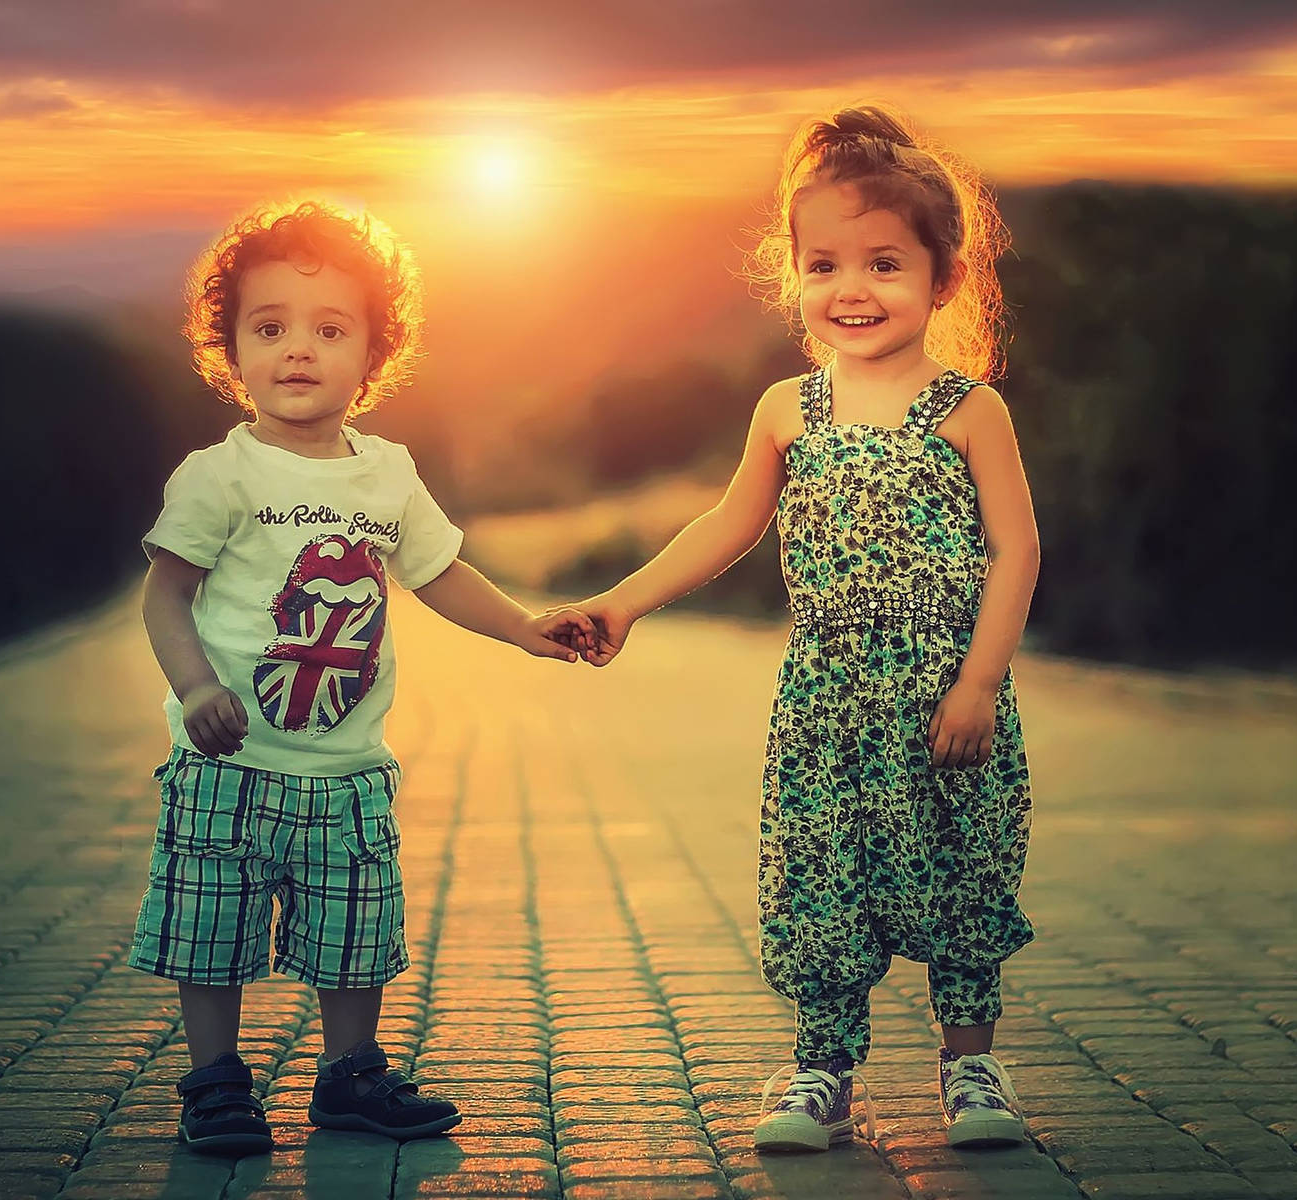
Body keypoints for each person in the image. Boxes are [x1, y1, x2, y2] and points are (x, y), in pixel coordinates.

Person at [572, 106, 1039, 1152]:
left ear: (943, 278)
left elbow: (1018, 551)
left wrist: (976, 684)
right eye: (824, 264)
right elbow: (728, 524)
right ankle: (820, 1073)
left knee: (966, 874)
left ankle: (972, 1071)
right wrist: (625, 602)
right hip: (825, 702)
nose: (853, 289)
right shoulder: (787, 409)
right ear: (794, 278)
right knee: (820, 878)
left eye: (884, 263)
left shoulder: (971, 410)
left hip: (944, 695)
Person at [131, 198, 591, 1155]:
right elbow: (164, 597)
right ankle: (215, 1084)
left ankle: (350, 1078)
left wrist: (522, 629)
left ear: (373, 355)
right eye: (270, 329)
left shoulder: (386, 475)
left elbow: (438, 574)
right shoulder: (220, 475)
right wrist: (195, 690)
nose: (298, 350)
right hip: (228, 763)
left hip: (345, 766)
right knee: (210, 925)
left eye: (329, 330)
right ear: (233, 349)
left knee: (356, 926)